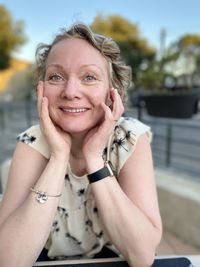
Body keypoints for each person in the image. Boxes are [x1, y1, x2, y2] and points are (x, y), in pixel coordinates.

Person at [0, 23, 162, 267]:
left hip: (110, 259)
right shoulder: (32, 142)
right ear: (41, 89)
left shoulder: (129, 138)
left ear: (112, 92)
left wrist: (94, 158)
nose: (70, 91)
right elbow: (9, 260)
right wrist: (58, 157)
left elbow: (142, 256)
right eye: (56, 76)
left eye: (89, 77)